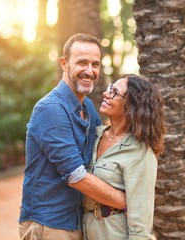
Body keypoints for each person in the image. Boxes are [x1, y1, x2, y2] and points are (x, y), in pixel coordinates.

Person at [19, 33, 126, 240]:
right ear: (64, 63)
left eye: (95, 64)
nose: (90, 71)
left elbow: (103, 147)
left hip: (76, 222)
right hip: (50, 225)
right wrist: (124, 200)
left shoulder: (86, 107)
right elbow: (75, 175)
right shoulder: (51, 109)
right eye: (82, 62)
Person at [81, 74, 166, 240]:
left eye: (114, 92)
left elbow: (141, 226)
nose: (106, 93)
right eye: (109, 88)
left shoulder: (140, 153)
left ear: (132, 106)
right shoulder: (93, 135)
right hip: (82, 230)